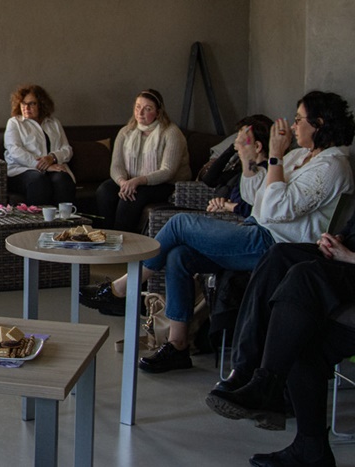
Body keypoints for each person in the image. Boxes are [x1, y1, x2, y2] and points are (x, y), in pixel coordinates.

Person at [84, 91, 355, 375]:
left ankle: (122, 287)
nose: (295, 125)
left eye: (300, 120)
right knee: (179, 255)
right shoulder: (302, 155)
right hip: (257, 228)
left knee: (180, 224)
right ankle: (177, 346)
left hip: (278, 245)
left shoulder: (332, 166)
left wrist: (274, 157)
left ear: (320, 123)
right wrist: (249, 161)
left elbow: (277, 209)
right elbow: (257, 199)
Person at [204, 214, 355, 467]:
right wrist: (336, 241)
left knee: (305, 277)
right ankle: (245, 372)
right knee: (279, 256)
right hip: (345, 260)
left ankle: (267, 387)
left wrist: (349, 256)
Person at [95, 88, 191, 232]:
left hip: (165, 184)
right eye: (138, 107)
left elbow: (168, 171)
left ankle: (124, 240)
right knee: (105, 190)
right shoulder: (126, 131)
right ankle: (105, 235)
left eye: (147, 109)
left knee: (131, 197)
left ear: (158, 112)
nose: (140, 113)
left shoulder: (171, 133)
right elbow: (116, 165)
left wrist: (138, 181)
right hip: (131, 180)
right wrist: (123, 182)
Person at [3, 85, 76, 205]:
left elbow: (67, 149)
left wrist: (52, 157)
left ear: (41, 104)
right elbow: (15, 151)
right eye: (23, 103)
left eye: (32, 103)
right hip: (21, 170)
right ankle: (38, 222)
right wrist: (44, 166)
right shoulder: (14, 123)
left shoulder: (54, 123)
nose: (26, 107)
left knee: (63, 179)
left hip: (52, 168)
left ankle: (66, 221)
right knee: (38, 180)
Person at [201, 114, 274, 218]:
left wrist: (227, 206)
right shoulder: (244, 169)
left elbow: (254, 209)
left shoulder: (263, 172)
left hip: (242, 226)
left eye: (241, 141)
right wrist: (222, 203)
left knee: (179, 222)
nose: (237, 143)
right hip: (227, 219)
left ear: (257, 146)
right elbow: (209, 179)